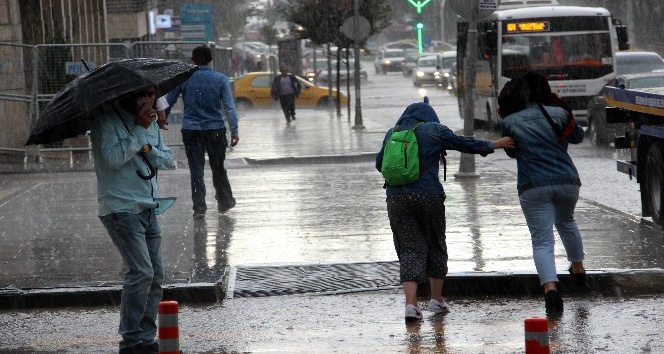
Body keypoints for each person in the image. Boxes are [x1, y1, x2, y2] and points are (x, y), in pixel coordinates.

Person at [375, 101, 515, 323]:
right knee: (436, 245)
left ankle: (410, 305)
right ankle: (436, 300)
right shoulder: (434, 130)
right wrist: (493, 144)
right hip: (428, 195)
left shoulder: (393, 132)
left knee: (410, 248)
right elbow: (463, 143)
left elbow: (379, 163)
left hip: (396, 198)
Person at [90, 86, 176, 354]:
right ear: (127, 95)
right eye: (143, 94)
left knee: (155, 274)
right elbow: (113, 158)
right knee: (141, 272)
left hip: (148, 207)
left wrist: (148, 146)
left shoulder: (151, 123)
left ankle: (146, 338)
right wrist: (138, 130)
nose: (149, 100)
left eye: (152, 94)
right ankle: (130, 339)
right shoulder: (107, 121)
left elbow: (168, 160)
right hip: (121, 208)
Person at [498, 71, 587, 314]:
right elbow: (578, 136)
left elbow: (512, 152)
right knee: (567, 222)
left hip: (533, 185)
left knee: (542, 240)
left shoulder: (510, 122)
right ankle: (578, 270)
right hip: (567, 181)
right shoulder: (558, 113)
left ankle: (550, 290)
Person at [166, 45, 239, 219]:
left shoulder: (184, 79)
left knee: (196, 168)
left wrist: (162, 120)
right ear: (211, 59)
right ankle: (225, 200)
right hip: (215, 129)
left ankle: (199, 206)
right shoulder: (220, 79)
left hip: (191, 130)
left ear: (192, 59)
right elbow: (229, 106)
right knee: (218, 167)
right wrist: (234, 130)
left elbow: (169, 100)